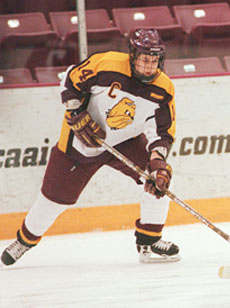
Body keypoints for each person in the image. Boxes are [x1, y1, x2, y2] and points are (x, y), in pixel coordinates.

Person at [1, 28, 180, 266]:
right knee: (53, 200)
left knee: (158, 181)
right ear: (132, 56)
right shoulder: (106, 64)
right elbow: (70, 78)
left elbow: (162, 131)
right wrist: (76, 110)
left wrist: (157, 160)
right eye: (144, 60)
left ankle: (149, 239)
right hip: (81, 143)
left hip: (125, 141)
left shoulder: (163, 89)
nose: (149, 67)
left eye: (154, 61)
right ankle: (25, 240)